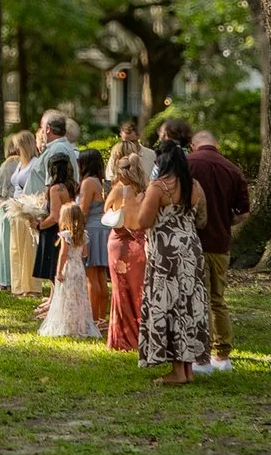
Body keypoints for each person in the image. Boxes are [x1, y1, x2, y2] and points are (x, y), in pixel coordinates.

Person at [130, 139, 212, 385]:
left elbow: (143, 221)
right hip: (191, 248)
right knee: (188, 304)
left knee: (169, 303)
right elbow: (202, 221)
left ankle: (177, 372)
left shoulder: (159, 187)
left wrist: (136, 202)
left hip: (166, 251)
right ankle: (186, 368)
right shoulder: (195, 187)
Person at [185, 129, 252, 373]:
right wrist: (224, 221)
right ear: (217, 144)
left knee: (193, 299)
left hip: (191, 242)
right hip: (220, 243)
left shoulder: (186, 164)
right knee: (217, 299)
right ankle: (222, 355)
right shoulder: (232, 170)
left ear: (193, 145)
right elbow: (243, 213)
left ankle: (196, 352)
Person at [104, 150, 148, 354]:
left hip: (119, 243)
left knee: (120, 292)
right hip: (140, 243)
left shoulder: (118, 190)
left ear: (121, 173)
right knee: (139, 290)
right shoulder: (146, 192)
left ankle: (122, 337)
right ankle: (142, 335)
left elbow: (106, 211)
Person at [37, 201, 97, 339]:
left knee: (65, 296)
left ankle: (65, 323)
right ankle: (79, 325)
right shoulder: (84, 235)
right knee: (78, 296)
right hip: (79, 269)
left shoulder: (65, 235)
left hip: (68, 268)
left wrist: (58, 271)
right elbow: (84, 254)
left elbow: (63, 255)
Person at [32, 152, 78, 321]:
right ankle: (52, 301)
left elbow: (54, 216)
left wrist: (38, 225)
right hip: (68, 228)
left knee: (53, 271)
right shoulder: (73, 185)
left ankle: (55, 308)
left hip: (54, 231)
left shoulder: (56, 189)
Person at [77, 147, 110, 330]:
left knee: (91, 275)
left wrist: (75, 230)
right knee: (100, 276)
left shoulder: (88, 182)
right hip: (104, 230)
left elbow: (83, 209)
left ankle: (93, 318)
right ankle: (101, 317)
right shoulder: (102, 182)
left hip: (91, 229)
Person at [5, 129, 41, 297]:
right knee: (16, 247)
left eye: (18, 145)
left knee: (29, 248)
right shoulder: (20, 163)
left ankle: (32, 286)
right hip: (16, 207)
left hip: (28, 208)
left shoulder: (35, 163)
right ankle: (18, 285)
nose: (16, 148)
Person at [0, 132, 27, 291]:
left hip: (5, 205)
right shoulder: (26, 162)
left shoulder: (8, 164)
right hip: (19, 205)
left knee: (4, 243)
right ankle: (17, 277)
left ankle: (3, 279)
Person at [114, 117, 159, 182]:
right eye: (125, 142)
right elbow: (109, 180)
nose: (130, 145)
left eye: (132, 142)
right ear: (120, 136)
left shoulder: (152, 155)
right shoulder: (116, 156)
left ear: (139, 136)